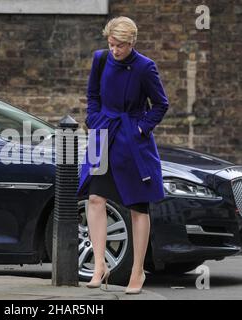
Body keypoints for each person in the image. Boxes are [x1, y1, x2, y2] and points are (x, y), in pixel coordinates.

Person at [76, 16, 169, 294]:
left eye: (120, 45)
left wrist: (140, 129)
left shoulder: (145, 67)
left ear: (132, 43)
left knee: (138, 208)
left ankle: (137, 271)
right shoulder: (101, 59)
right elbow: (92, 95)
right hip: (102, 134)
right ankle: (99, 266)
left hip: (131, 139)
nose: (115, 49)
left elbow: (160, 105)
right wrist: (94, 119)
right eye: (111, 43)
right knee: (94, 198)